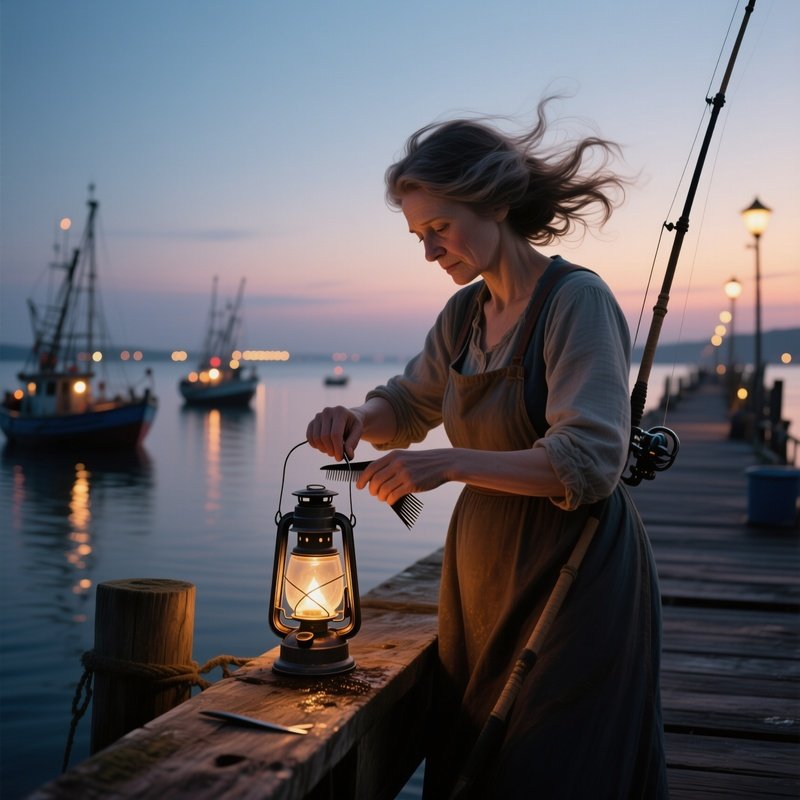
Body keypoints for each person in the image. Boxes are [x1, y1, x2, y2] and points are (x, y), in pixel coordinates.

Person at [306, 97, 668, 799]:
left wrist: (444, 463)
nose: (429, 249)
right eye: (418, 234)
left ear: (495, 202)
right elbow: (409, 404)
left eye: (439, 227)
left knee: (554, 769)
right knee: (475, 766)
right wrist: (355, 414)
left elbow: (590, 463)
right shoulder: (464, 314)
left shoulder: (576, 303)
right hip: (479, 585)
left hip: (575, 575)